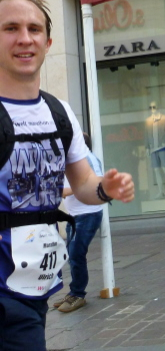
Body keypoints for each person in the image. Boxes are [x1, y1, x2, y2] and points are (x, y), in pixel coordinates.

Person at [0, 0, 135, 351]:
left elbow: (84, 184)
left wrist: (106, 188)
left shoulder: (58, 111)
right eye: (10, 28)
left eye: (34, 29)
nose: (24, 38)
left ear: (47, 43)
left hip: (34, 284)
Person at [54, 133, 104, 313]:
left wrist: (63, 191)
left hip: (87, 214)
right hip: (77, 215)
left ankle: (78, 294)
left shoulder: (88, 159)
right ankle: (74, 292)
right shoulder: (75, 161)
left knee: (76, 254)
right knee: (72, 254)